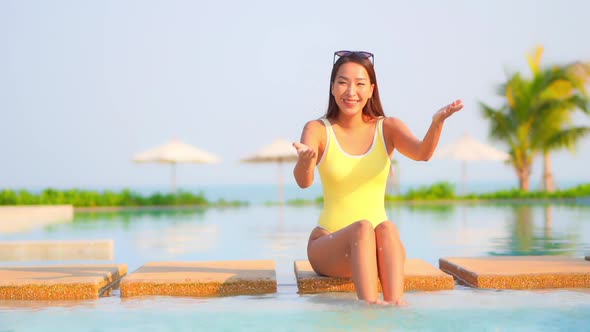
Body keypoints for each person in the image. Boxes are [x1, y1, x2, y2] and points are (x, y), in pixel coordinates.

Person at [292, 50, 463, 305]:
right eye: (343, 82)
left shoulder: (388, 128)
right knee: (362, 227)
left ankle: (396, 310)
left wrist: (437, 123)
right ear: (332, 87)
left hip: (379, 246)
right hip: (328, 246)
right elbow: (304, 182)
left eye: (360, 84)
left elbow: (422, 153)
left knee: (386, 228)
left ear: (371, 89)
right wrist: (305, 162)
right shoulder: (317, 129)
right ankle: (368, 310)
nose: (351, 91)